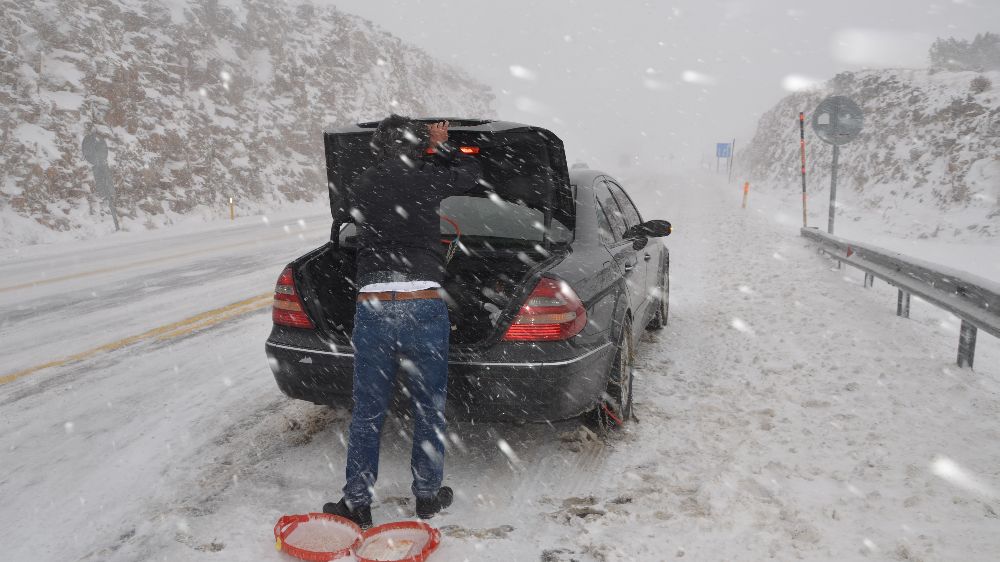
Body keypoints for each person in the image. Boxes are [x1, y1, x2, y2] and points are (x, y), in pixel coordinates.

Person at [323, 115, 482, 528]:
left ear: (378, 147)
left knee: (368, 412)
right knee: (428, 406)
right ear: (416, 147)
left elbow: (344, 215)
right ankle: (427, 497)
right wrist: (441, 145)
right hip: (423, 305)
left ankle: (357, 502)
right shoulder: (429, 178)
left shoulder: (361, 184)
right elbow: (471, 173)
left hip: (374, 306)